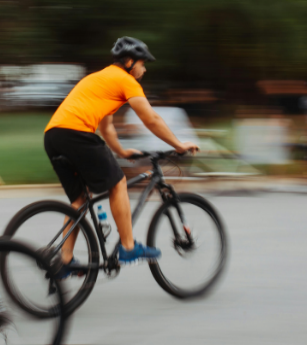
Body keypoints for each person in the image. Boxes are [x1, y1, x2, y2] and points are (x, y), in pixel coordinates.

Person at [43, 36, 199, 278]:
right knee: (118, 183)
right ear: (129, 62)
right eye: (142, 63)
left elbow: (106, 128)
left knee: (79, 200)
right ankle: (128, 247)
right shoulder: (126, 81)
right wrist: (178, 145)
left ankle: (65, 261)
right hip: (75, 134)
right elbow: (152, 119)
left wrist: (123, 152)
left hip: (53, 137)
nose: (144, 69)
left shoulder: (101, 79)